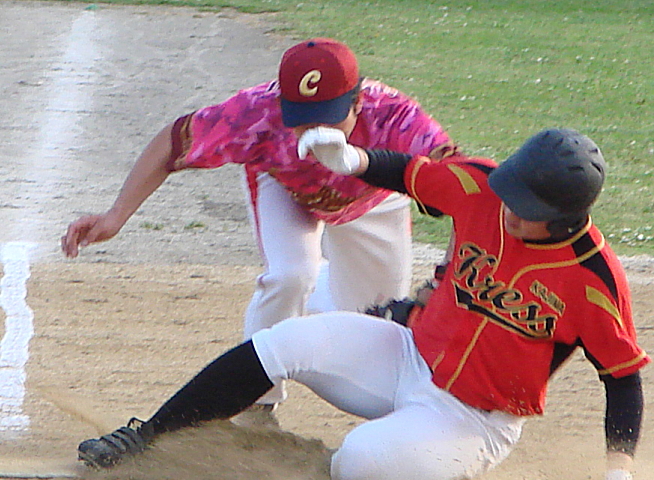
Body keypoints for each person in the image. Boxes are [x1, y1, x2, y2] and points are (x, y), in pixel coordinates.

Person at [76, 128, 649, 480]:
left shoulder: (594, 281)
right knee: (283, 343)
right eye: (511, 191)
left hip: (474, 419)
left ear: (565, 218)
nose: (510, 209)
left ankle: (351, 458)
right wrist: (354, 158)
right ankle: (146, 436)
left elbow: (622, 378)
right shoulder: (483, 188)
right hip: (406, 354)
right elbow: (408, 172)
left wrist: (618, 473)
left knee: (358, 464)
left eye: (526, 207)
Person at [60, 38, 456, 413]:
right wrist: (116, 215)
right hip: (286, 187)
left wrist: (446, 273)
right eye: (302, 120)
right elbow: (173, 142)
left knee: (373, 318)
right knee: (289, 276)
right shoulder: (257, 113)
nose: (315, 133)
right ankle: (257, 404)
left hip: (372, 201)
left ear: (358, 101)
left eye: (328, 118)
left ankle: (321, 289)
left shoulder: (395, 116)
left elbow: (465, 184)